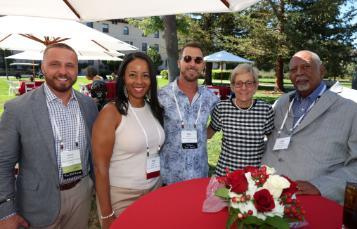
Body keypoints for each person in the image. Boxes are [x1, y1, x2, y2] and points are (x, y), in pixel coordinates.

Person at [0, 43, 98, 228]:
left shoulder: (88, 105)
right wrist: (5, 212)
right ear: (43, 67)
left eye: (70, 65)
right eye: (55, 64)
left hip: (81, 194)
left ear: (77, 69)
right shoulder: (18, 109)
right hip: (37, 201)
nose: (63, 71)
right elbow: (3, 163)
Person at [262, 50, 357, 203]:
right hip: (266, 197)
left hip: (312, 204)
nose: (299, 73)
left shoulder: (352, 110)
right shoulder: (281, 103)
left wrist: (321, 187)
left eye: (306, 67)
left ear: (321, 71)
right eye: (294, 70)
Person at [92, 52, 165, 229]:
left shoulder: (154, 108)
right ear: (123, 78)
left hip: (154, 189)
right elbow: (100, 168)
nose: (139, 81)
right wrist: (107, 213)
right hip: (122, 196)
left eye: (145, 75)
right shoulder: (111, 112)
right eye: (132, 75)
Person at [158, 42, 219, 185]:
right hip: (169, 177)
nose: (192, 64)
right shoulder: (161, 96)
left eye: (198, 60)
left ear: (203, 65)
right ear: (179, 63)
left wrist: (203, 134)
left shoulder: (211, 98)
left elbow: (217, 123)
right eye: (187, 59)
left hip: (199, 176)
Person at [207, 63, 274, 176]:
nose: (244, 87)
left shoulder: (265, 110)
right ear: (232, 87)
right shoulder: (222, 108)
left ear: (256, 85)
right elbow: (208, 134)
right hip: (225, 175)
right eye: (238, 83)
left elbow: (272, 141)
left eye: (249, 83)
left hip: (254, 178)